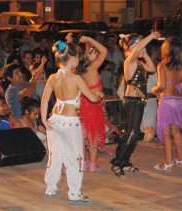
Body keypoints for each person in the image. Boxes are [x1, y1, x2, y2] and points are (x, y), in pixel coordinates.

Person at [41, 41, 103, 203]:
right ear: (74, 59)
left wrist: (43, 119)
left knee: (55, 155)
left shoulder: (53, 77)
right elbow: (92, 98)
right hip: (69, 121)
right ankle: (74, 192)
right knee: (74, 156)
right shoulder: (75, 78)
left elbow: (45, 99)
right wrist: (99, 95)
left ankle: (51, 187)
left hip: (54, 119)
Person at [110, 32, 161, 177]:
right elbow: (138, 48)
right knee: (131, 133)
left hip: (139, 102)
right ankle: (118, 162)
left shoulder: (139, 63)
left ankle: (125, 162)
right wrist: (150, 36)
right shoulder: (129, 62)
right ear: (132, 47)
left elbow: (152, 68)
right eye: (140, 45)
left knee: (135, 134)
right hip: (131, 101)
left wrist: (144, 54)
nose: (144, 48)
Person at [73, 35, 108, 173]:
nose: (97, 53)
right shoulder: (93, 67)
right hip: (92, 104)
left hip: (83, 103)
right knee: (92, 134)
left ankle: (82, 163)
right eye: (93, 51)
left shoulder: (78, 70)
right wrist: (89, 38)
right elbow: (104, 50)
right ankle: (92, 164)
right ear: (86, 55)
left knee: (84, 134)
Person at [151, 37, 182, 171]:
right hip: (178, 101)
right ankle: (180, 160)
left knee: (165, 132)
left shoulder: (162, 65)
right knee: (176, 131)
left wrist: (154, 90)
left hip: (167, 101)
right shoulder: (180, 66)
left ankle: (168, 163)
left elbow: (162, 85)